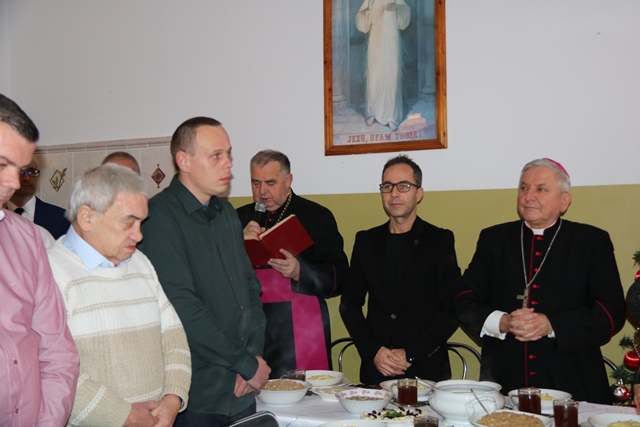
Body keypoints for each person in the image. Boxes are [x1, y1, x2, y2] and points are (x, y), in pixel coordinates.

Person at [455, 158, 626, 404]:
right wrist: (501, 322)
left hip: (573, 379)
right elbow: (464, 298)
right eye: (524, 188)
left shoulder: (591, 242)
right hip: (505, 379)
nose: (529, 196)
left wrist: (551, 324)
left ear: (564, 201)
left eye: (541, 189)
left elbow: (611, 311)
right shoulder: (494, 239)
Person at [139, 117, 270, 427]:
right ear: (183, 161)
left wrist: (251, 360)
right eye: (216, 156)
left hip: (241, 388)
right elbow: (183, 308)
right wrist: (244, 363)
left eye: (228, 154)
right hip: (197, 393)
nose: (228, 164)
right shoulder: (159, 217)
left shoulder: (226, 213)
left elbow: (250, 289)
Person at [47, 164, 191, 427]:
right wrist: (122, 415)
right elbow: (52, 370)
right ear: (87, 217)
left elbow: (174, 337)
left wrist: (172, 400)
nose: (139, 234)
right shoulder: (50, 272)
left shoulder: (140, 263)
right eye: (129, 222)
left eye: (141, 222)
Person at [339, 155, 461, 384]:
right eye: (387, 186)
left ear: (419, 193)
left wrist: (411, 353)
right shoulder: (366, 241)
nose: (394, 193)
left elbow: (452, 307)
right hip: (377, 368)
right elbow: (349, 304)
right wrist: (374, 350)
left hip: (425, 368)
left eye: (403, 186)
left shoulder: (439, 240)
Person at [0, 93, 79, 426]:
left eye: (20, 169)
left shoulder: (28, 238)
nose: (14, 182)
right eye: (2, 165)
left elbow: (57, 352)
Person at [236, 150, 349, 378]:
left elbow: (340, 277)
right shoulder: (236, 218)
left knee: (302, 389)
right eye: (256, 183)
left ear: (288, 180)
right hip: (251, 323)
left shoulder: (316, 216)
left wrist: (300, 271)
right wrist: (237, 242)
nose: (262, 191)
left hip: (301, 326)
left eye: (270, 183)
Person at [355, 0, 411, 131]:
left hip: (391, 40)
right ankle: (372, 113)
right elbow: (361, 19)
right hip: (375, 41)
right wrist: (368, 11)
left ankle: (392, 117)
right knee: (373, 76)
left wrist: (397, 8)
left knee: (391, 76)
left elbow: (406, 12)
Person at [7, 158, 70, 238]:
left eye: (32, 172)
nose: (26, 178)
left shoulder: (61, 218)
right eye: (20, 171)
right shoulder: (1, 213)